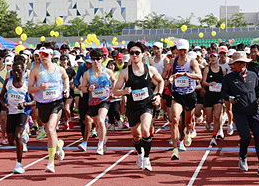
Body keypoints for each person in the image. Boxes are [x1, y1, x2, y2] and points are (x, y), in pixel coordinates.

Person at [112, 41, 163, 171]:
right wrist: (124, 92)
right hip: (132, 107)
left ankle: (146, 158)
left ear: (143, 55)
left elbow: (161, 81)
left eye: (137, 53)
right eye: (132, 53)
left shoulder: (150, 69)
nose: (134, 55)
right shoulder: (125, 72)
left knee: (146, 129)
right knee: (136, 135)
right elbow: (115, 91)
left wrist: (158, 95)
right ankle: (140, 154)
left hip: (147, 105)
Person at [221, 51, 259, 176]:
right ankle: (242, 156)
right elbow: (223, 94)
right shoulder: (228, 78)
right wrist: (230, 98)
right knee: (246, 137)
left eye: (243, 63)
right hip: (239, 112)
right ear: (234, 65)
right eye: (238, 63)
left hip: (254, 111)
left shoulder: (253, 75)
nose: (242, 65)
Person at [28, 44, 69, 173]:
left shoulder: (59, 69)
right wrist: (39, 88)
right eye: (40, 55)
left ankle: (51, 162)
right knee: (49, 130)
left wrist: (66, 88)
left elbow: (66, 77)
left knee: (51, 129)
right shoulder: (35, 70)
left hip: (56, 103)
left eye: (45, 55)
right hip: (42, 104)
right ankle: (58, 145)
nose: (43, 57)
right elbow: (29, 89)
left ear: (51, 55)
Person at [168, 39, 202, 159]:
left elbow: (199, 76)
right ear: (177, 50)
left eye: (184, 50)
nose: (182, 52)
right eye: (180, 50)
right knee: (175, 120)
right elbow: (170, 76)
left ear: (188, 50)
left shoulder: (192, 62)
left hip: (189, 95)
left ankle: (188, 132)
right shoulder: (173, 61)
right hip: (177, 94)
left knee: (187, 123)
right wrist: (171, 80)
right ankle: (175, 149)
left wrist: (187, 74)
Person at [0, 61, 35, 174]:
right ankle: (23, 137)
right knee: (11, 141)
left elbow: (34, 101)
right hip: (11, 113)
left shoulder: (27, 84)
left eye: (18, 70)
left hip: (22, 112)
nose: (16, 72)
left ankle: (19, 164)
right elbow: (1, 96)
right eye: (14, 70)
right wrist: (4, 104)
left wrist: (24, 104)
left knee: (18, 135)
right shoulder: (8, 82)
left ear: (23, 70)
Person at [80, 49, 115, 155]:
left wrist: (112, 90)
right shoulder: (87, 74)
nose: (95, 61)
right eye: (93, 59)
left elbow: (114, 80)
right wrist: (88, 89)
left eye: (98, 59)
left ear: (102, 59)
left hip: (105, 100)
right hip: (93, 102)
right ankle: (103, 140)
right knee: (97, 124)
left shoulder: (107, 72)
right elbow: (82, 87)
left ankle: (99, 144)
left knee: (100, 120)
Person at [202, 52, 226, 146]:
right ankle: (207, 123)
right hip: (209, 96)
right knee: (209, 118)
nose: (213, 59)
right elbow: (203, 82)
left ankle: (214, 136)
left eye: (214, 57)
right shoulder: (207, 69)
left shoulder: (222, 70)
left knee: (217, 117)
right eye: (211, 57)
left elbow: (225, 82)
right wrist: (210, 84)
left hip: (218, 96)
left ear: (218, 58)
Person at [61, 54, 76, 131]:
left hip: (69, 91)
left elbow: (75, 78)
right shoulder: (59, 69)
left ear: (67, 60)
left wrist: (72, 83)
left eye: (65, 60)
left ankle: (69, 120)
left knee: (67, 108)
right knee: (62, 109)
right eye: (62, 60)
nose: (63, 61)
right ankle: (66, 122)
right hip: (60, 91)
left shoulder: (71, 70)